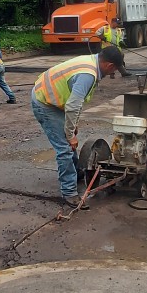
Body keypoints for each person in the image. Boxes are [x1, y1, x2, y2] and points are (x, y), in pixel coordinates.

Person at [31, 46, 125, 208]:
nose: (114, 72)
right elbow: (73, 106)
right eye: (115, 69)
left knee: (69, 141)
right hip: (45, 102)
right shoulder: (88, 74)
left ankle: (75, 172)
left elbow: (76, 102)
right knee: (65, 148)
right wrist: (70, 134)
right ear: (110, 65)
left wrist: (72, 125)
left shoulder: (90, 62)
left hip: (54, 99)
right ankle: (69, 193)